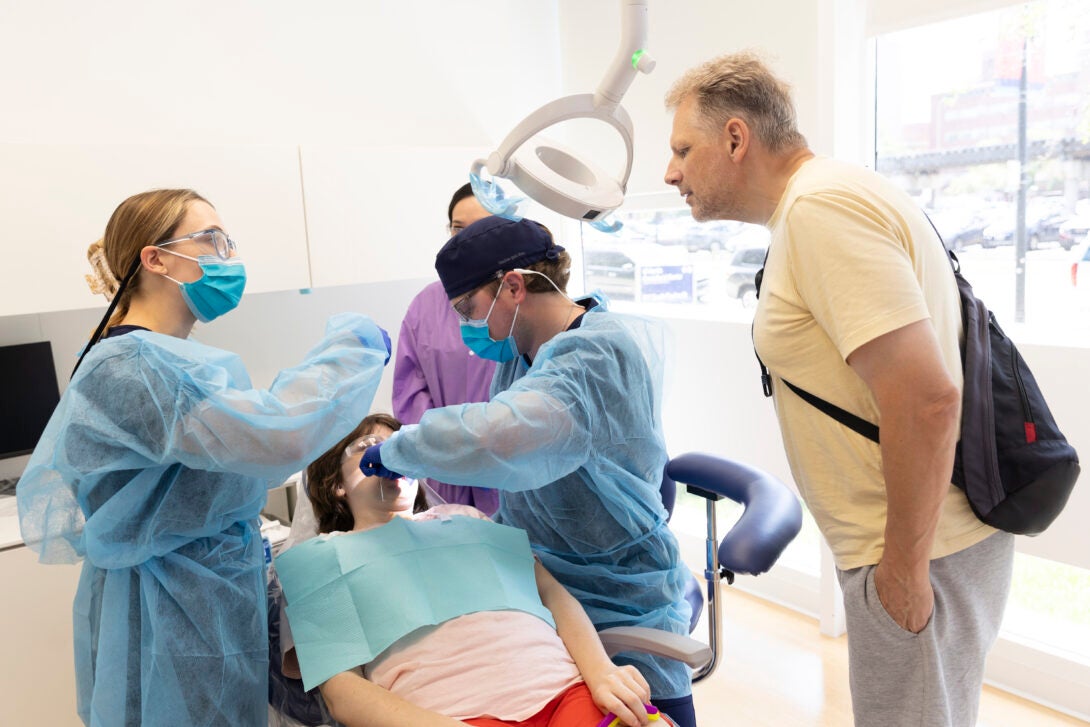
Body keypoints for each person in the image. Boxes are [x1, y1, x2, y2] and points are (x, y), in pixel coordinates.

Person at [663, 51, 1013, 727]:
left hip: (921, 551)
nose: (670, 172)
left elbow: (928, 399)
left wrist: (904, 572)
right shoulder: (829, 198)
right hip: (925, 544)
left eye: (683, 149)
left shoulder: (821, 210)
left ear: (736, 138)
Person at [16, 189, 391, 727]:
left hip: (198, 595)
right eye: (212, 241)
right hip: (168, 612)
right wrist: (357, 348)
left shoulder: (162, 363)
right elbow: (276, 433)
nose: (228, 257)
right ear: (156, 258)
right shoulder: (132, 367)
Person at [359, 216, 697, 727]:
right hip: (541, 602)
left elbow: (500, 435)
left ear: (513, 286)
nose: (466, 327)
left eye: (467, 310)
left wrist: (403, 447)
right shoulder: (523, 353)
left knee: (637, 709)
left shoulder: (596, 352)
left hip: (616, 595)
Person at [273, 413, 668, 727]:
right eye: (369, 446)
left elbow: (551, 594)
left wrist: (600, 672)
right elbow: (342, 693)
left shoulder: (465, 518)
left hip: (566, 692)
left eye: (399, 446)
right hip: (450, 715)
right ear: (336, 484)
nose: (388, 454)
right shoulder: (321, 557)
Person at [392, 183, 498, 514]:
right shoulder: (425, 305)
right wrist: (452, 445)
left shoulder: (518, 299)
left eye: (480, 229)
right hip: (443, 473)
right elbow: (409, 393)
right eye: (458, 228)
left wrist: (489, 445)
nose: (465, 240)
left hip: (506, 472)